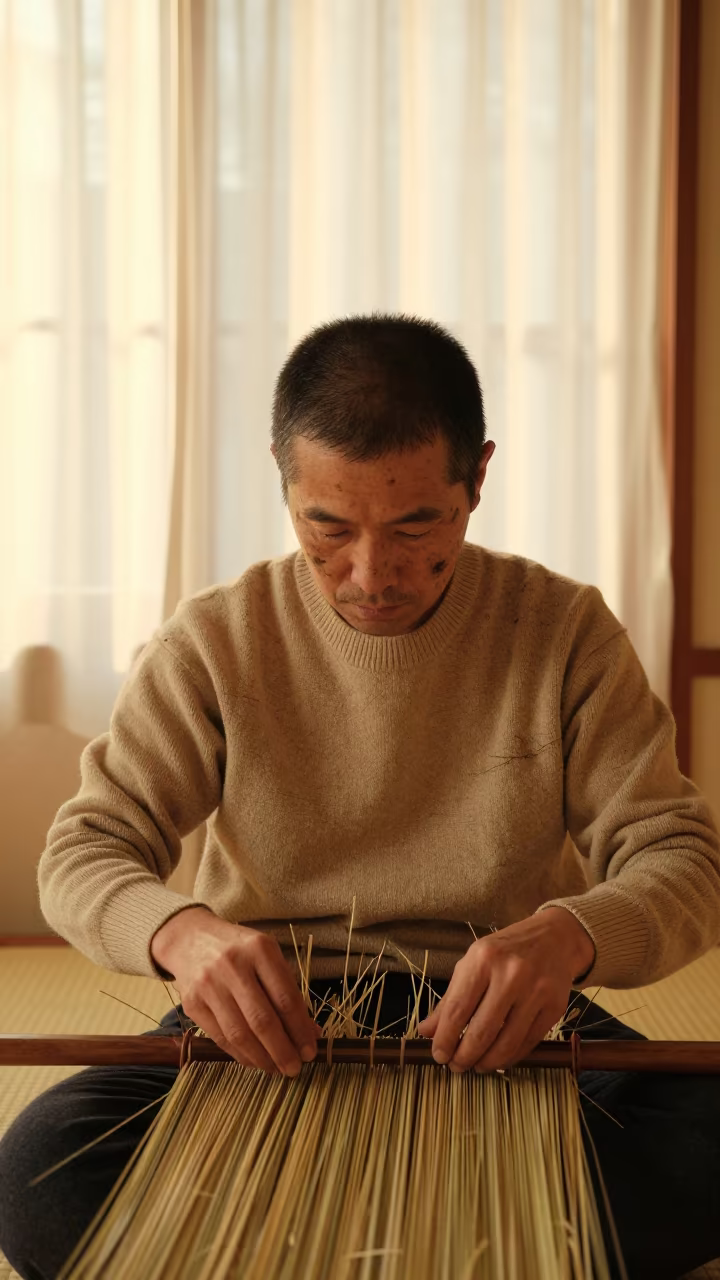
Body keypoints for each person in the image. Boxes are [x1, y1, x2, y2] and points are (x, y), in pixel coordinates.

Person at [1, 313, 719, 1280]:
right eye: (326, 528)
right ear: (282, 480)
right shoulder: (218, 638)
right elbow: (84, 850)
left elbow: (683, 857)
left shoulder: (562, 630)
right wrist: (182, 934)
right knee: (36, 1179)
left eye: (417, 524)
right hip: (271, 1017)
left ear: (478, 478)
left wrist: (568, 936)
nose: (370, 577)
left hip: (499, 1017)